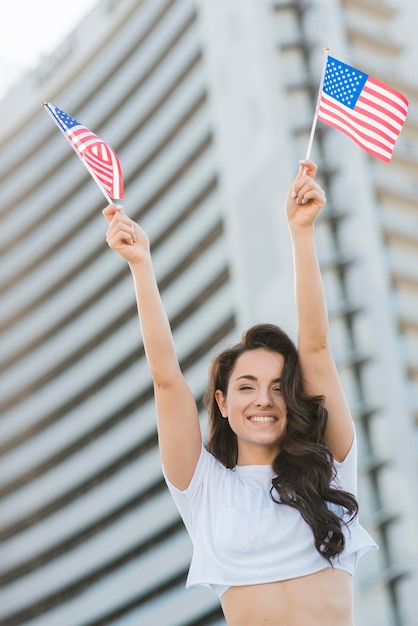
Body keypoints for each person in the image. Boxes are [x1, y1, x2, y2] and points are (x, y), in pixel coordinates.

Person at [103, 160, 377, 626]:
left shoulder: (329, 468)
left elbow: (315, 346)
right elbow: (167, 379)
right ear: (223, 403)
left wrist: (302, 233)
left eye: (278, 387)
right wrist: (141, 267)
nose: (264, 400)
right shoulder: (205, 489)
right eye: (246, 387)